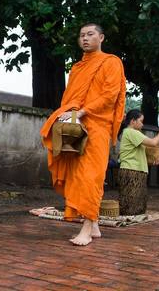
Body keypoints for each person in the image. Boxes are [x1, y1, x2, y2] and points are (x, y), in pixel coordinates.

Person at [40, 23, 126, 246]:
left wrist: (82, 112)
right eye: (82, 35)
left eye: (90, 34)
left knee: (91, 176)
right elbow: (70, 98)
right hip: (75, 126)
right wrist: (69, 115)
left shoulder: (110, 62)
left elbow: (110, 95)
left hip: (96, 126)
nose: (85, 38)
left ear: (102, 37)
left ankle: (87, 228)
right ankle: (94, 223)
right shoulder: (77, 68)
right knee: (77, 175)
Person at [118, 109, 159, 215]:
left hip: (135, 169)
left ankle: (133, 215)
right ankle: (130, 216)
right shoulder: (131, 132)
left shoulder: (131, 132)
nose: (142, 124)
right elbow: (153, 142)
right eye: (141, 121)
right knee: (131, 198)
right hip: (131, 169)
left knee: (137, 198)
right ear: (133, 121)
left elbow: (141, 151)